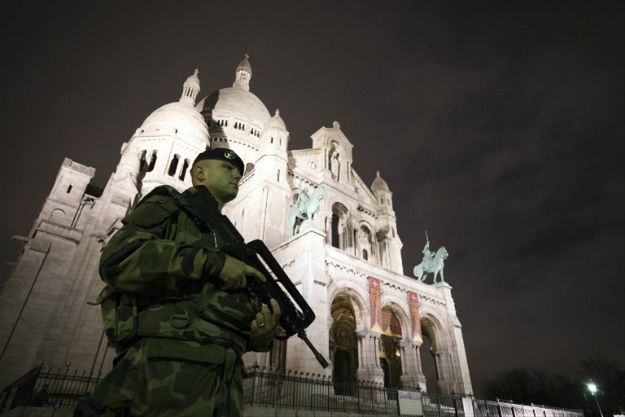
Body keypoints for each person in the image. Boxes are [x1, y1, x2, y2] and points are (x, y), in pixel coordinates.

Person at [75, 148, 281, 417]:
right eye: (228, 169)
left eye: (240, 173)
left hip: (223, 386)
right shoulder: (171, 205)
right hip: (161, 376)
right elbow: (118, 258)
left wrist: (258, 337)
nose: (236, 176)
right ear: (199, 173)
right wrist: (211, 262)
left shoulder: (231, 237)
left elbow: (216, 309)